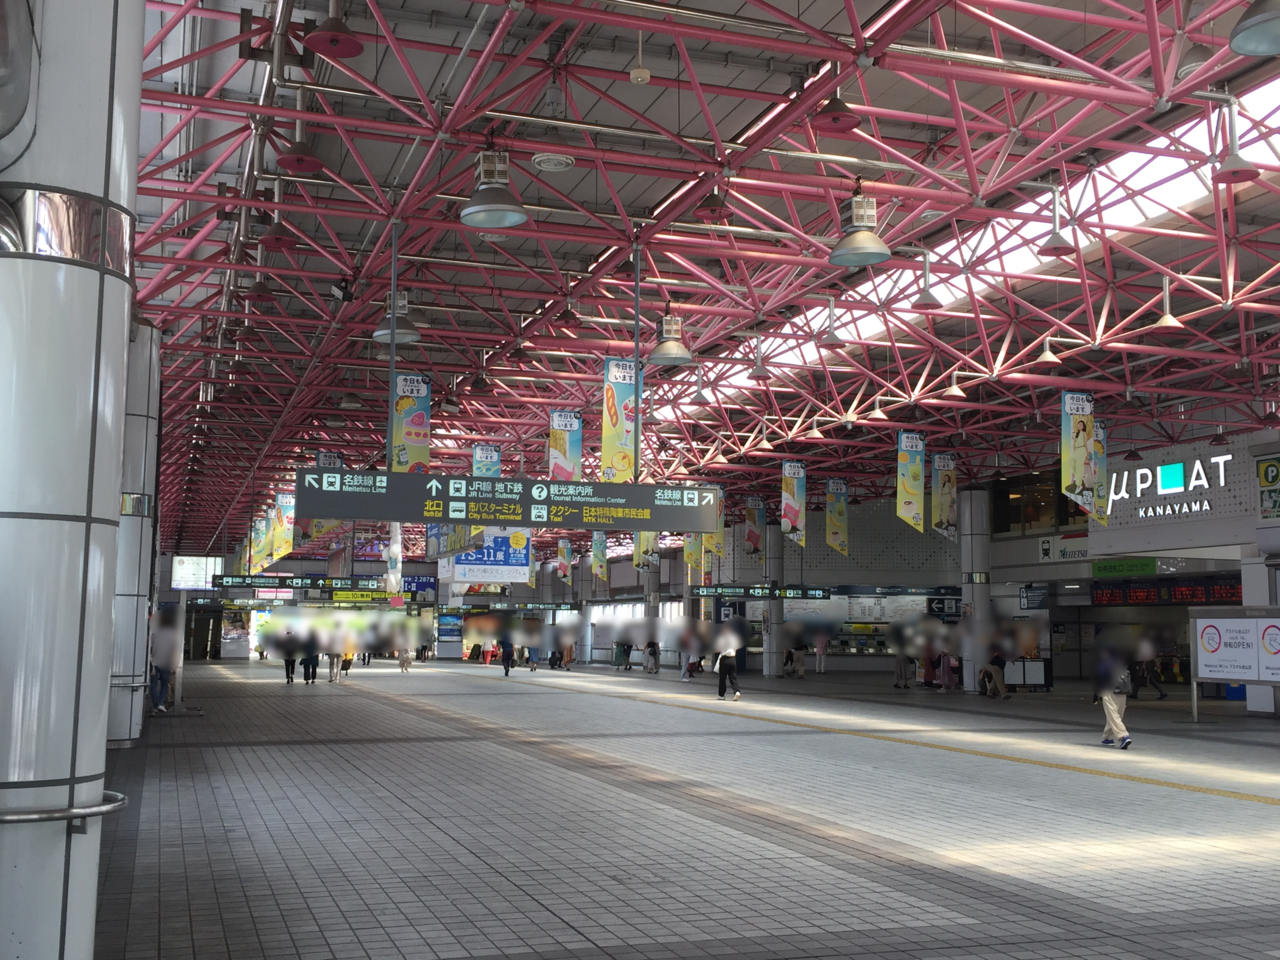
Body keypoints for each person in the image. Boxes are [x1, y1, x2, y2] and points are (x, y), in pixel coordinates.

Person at [1095, 643, 1133, 748]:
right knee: (1116, 715)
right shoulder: (1121, 662)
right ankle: (1107, 738)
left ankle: (1123, 736)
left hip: (1108, 691)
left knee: (1113, 715)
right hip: (1122, 692)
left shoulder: (1104, 662)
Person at [148, 606, 182, 714]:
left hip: (154, 662)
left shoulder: (155, 633)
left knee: (153, 684)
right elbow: (175, 649)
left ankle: (155, 705)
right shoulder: (174, 634)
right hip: (166, 663)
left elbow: (151, 647)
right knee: (164, 684)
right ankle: (161, 704)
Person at [714, 618, 746, 702]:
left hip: (724, 659)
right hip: (732, 659)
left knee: (722, 678)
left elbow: (717, 648)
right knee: (733, 676)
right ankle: (737, 691)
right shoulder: (734, 637)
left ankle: (721, 695)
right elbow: (737, 647)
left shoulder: (721, 637)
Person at [1132, 636, 1167, 700]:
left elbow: (1145, 654)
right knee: (1138, 678)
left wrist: (1144, 664)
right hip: (1146, 663)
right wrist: (1156, 663)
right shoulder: (1147, 644)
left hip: (1143, 662)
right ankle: (1134, 693)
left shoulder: (1142, 644)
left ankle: (1162, 692)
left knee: (1148, 678)